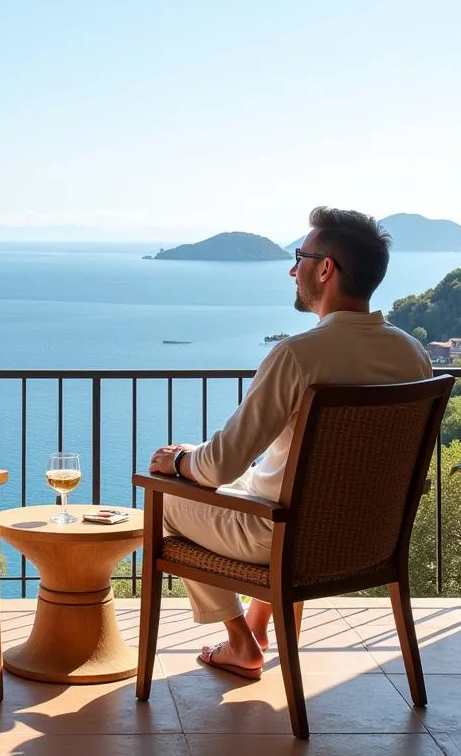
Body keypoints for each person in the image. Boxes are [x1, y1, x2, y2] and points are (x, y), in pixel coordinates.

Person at [148, 207, 431, 680]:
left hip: (283, 535)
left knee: (164, 501)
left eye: (300, 256)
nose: (291, 268)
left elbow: (216, 467)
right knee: (254, 481)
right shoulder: (412, 353)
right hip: (370, 536)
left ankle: (240, 643)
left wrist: (178, 461)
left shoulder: (298, 356)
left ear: (325, 269)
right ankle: (260, 624)